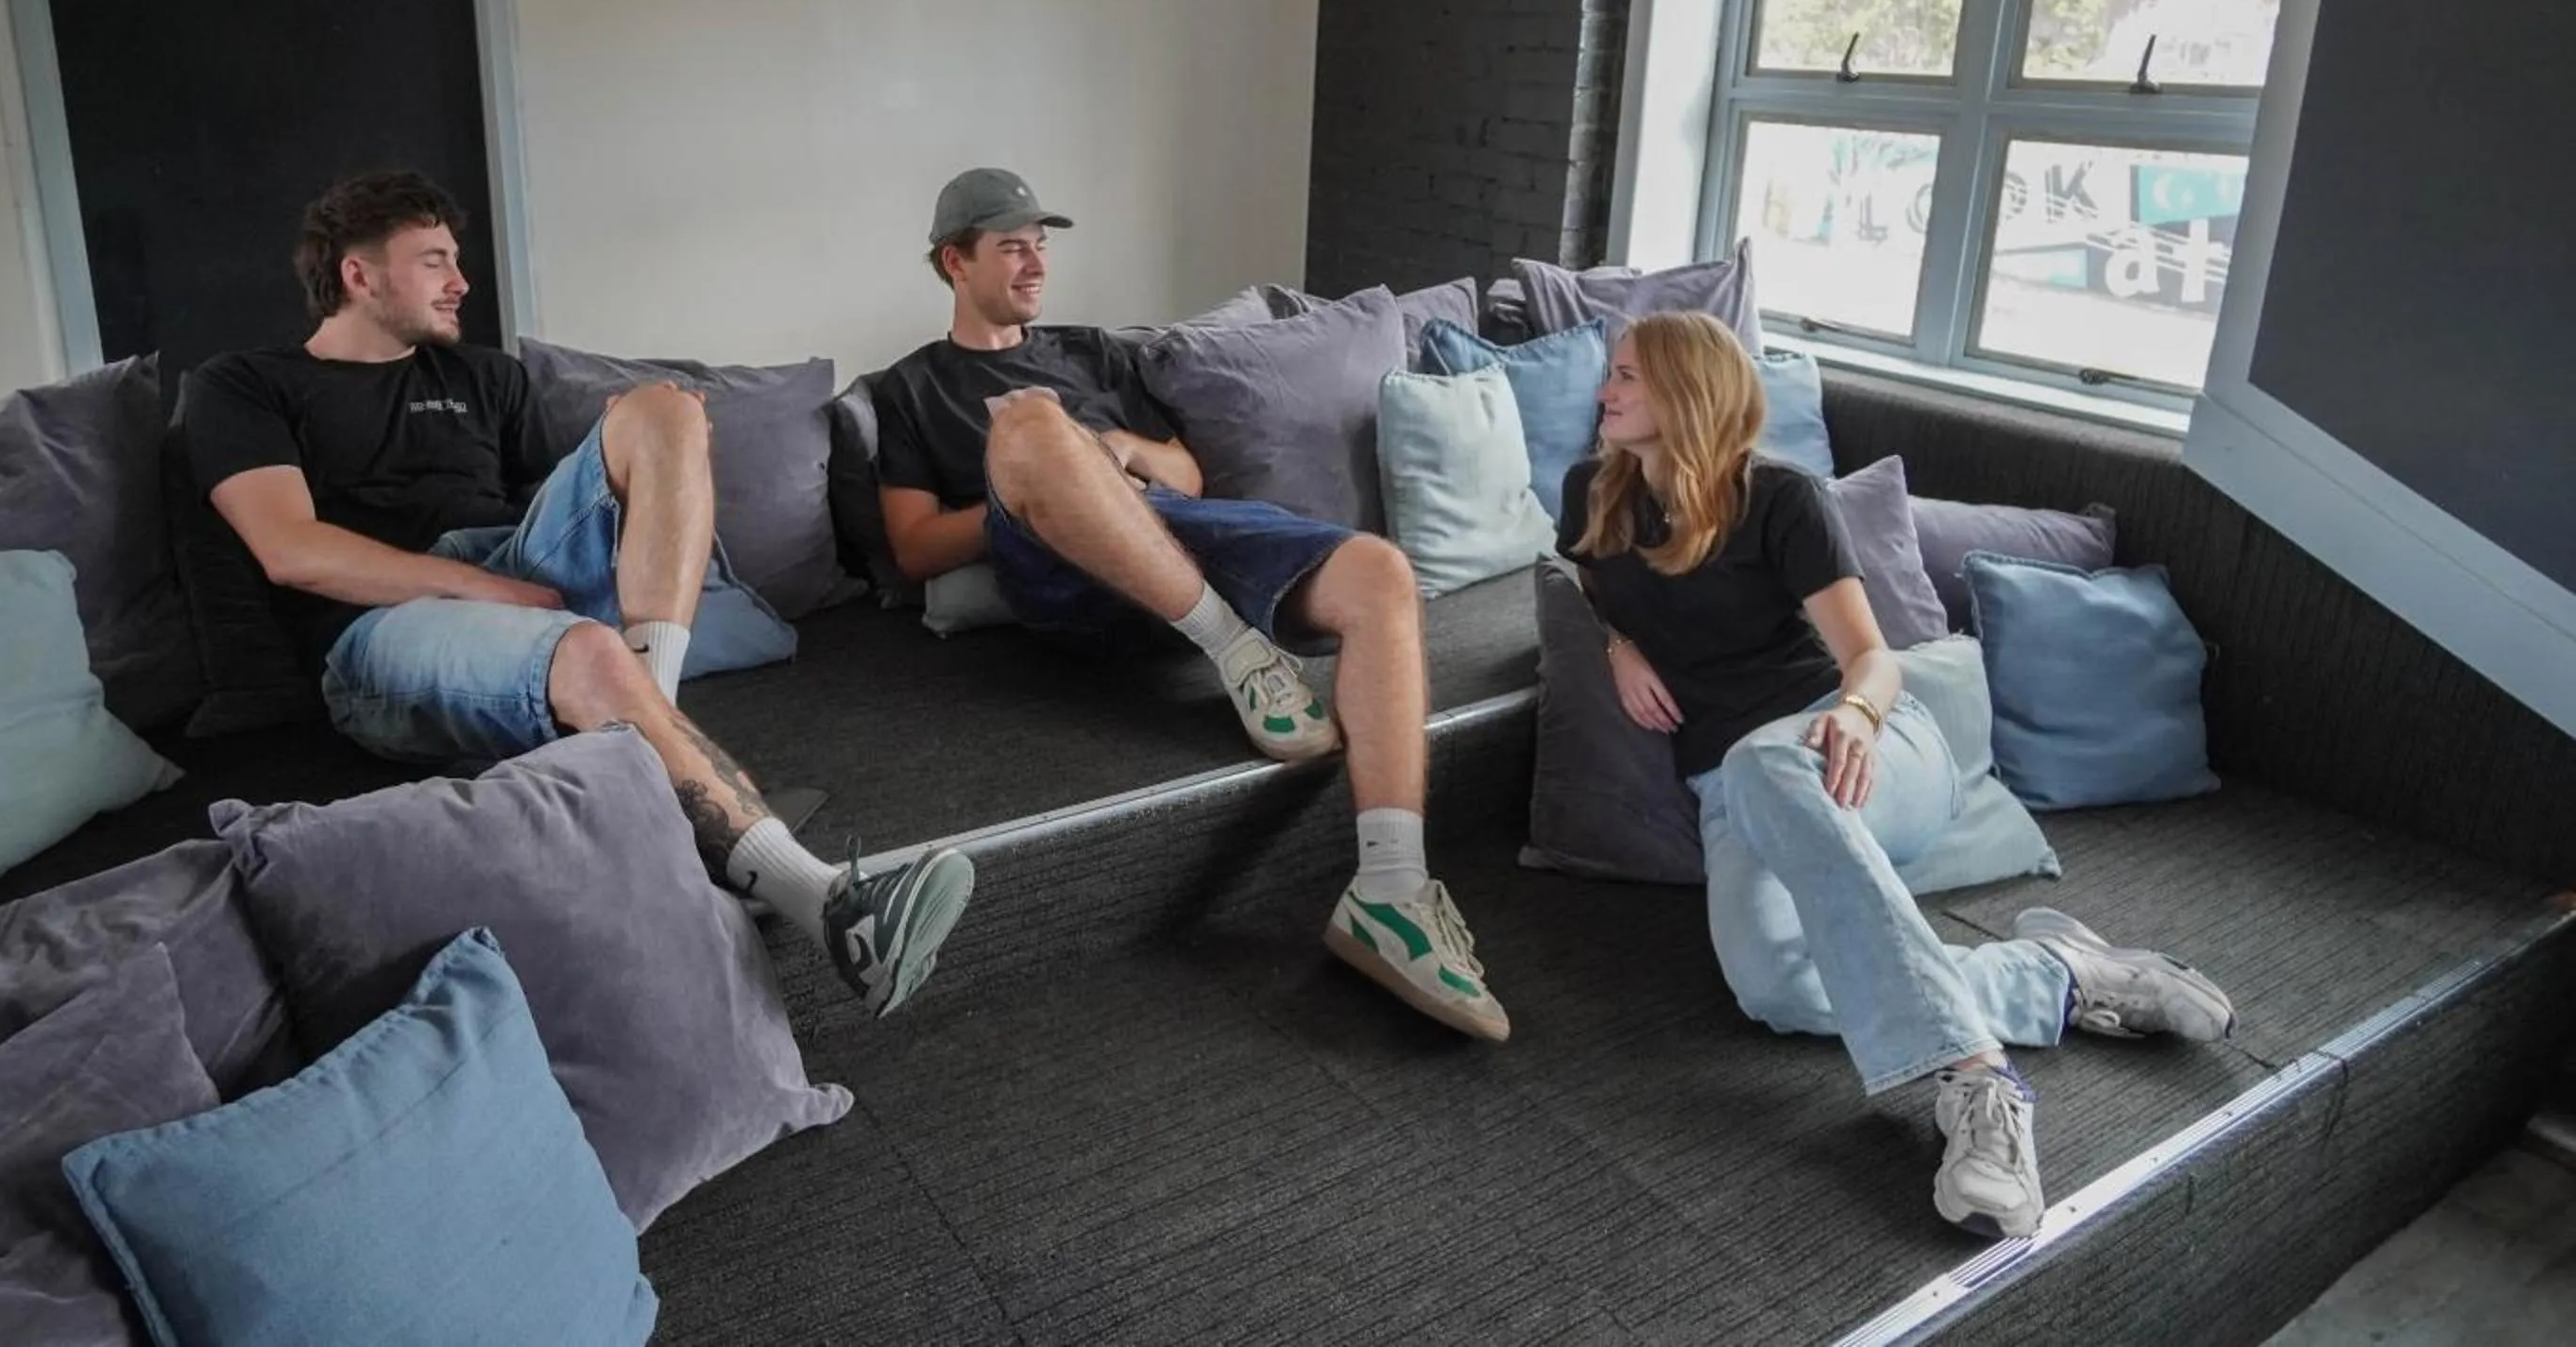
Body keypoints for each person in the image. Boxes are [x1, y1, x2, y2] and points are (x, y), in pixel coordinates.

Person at [182, 170, 972, 1018]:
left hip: (514, 574)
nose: (461, 281)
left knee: (666, 410)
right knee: (589, 651)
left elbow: (564, 519)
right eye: (435, 260)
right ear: (358, 274)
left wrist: (624, 480)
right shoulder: (244, 385)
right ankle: (833, 909)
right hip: (380, 628)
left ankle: (646, 750)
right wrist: (485, 589)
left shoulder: (485, 378)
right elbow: (290, 550)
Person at [1556, 310, 2236, 1236]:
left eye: (1628, 374)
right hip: (1733, 789)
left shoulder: (1781, 498)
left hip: (1865, 749)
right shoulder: (1592, 493)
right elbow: (1584, 583)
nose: (1605, 389)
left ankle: (1978, 1080)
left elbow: (1871, 659)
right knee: (1773, 988)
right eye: (1612, 372)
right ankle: (2061, 974)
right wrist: (1617, 643)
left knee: (1765, 756)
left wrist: (1852, 715)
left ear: (1688, 389)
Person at [866, 166, 1508, 1042]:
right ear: (955, 261)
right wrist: (1052, 479)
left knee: (1379, 573)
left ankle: (1391, 891)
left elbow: (1187, 476)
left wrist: (1116, 452)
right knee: (1031, 424)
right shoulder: (911, 387)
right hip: (1056, 564)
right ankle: (1237, 647)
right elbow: (913, 548)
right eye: (1012, 247)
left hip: (1178, 527)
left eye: (1041, 245)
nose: (1037, 264)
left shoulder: (1093, 350)